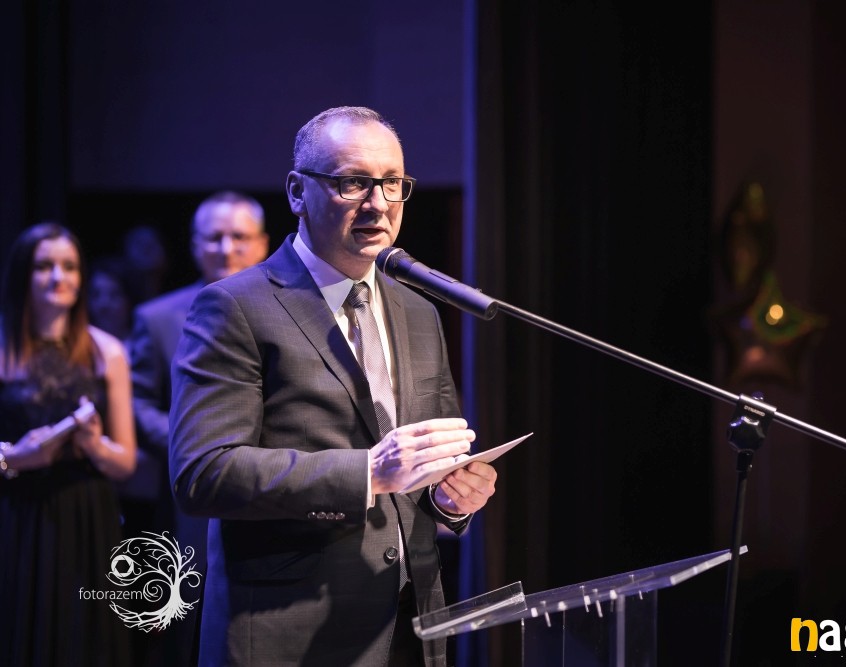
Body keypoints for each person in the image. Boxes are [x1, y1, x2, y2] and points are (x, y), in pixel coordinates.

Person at [169, 106, 498, 666]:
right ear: (297, 192)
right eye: (353, 183)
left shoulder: (420, 311)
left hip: (411, 628)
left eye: (392, 183)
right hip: (291, 633)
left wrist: (450, 498)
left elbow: (427, 466)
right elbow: (203, 472)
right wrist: (366, 473)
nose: (378, 203)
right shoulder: (234, 307)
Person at [127, 190, 269, 666]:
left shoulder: (293, 312)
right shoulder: (157, 318)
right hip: (188, 501)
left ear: (262, 243)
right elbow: (137, 402)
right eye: (214, 238)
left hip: (273, 490)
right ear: (194, 245)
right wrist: (193, 444)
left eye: (239, 237)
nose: (227, 248)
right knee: (184, 628)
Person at [0, 222, 137, 666]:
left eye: (70, 266)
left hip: (86, 515)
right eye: (44, 266)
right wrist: (15, 457)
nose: (59, 277)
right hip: (16, 511)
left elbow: (126, 462)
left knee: (84, 640)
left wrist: (95, 446)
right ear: (23, 274)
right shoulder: (3, 347)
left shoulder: (106, 351)